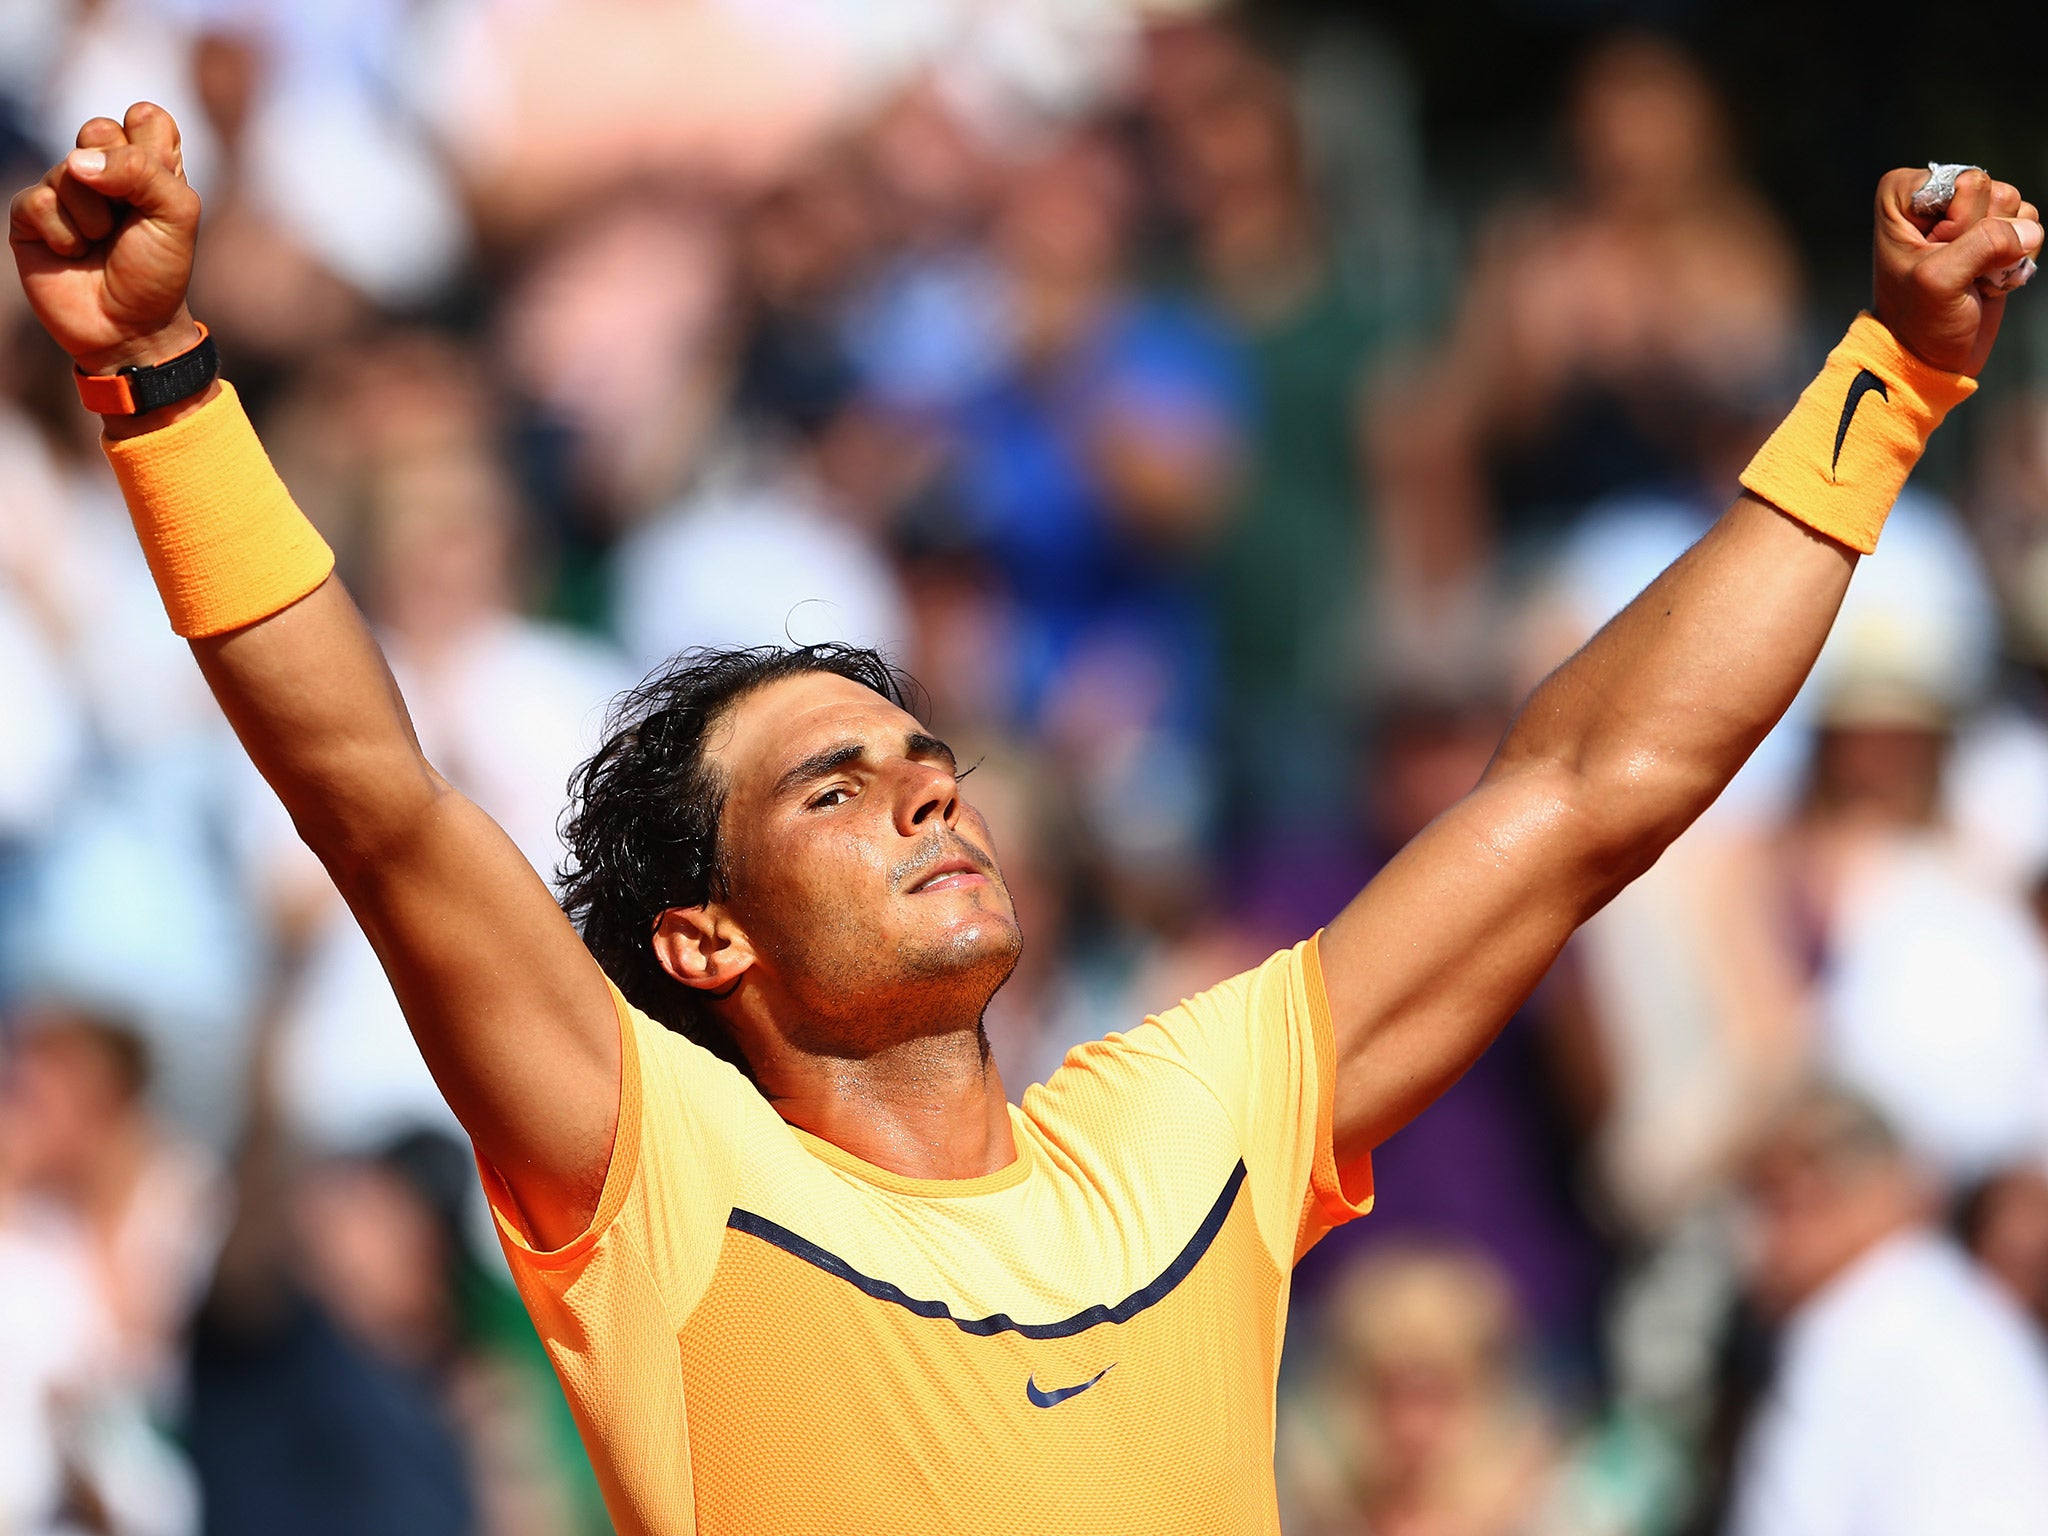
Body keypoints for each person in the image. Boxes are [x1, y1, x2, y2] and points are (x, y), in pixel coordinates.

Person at [8, 101, 2038, 1534]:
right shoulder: (656, 1170)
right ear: (705, 942)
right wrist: (162, 386)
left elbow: (1591, 790)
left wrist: (1890, 380)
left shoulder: (1184, 1122)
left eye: (926, 767)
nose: (927, 798)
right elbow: (375, 802)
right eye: (833, 788)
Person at [1727, 1085, 2048, 1536]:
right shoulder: (1885, 1320)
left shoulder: (1908, 1334)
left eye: (1783, 1204)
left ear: (1875, 1195)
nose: (1754, 1240)